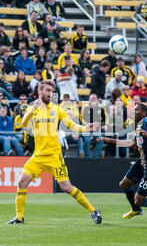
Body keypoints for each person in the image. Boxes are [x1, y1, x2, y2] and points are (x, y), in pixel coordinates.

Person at [7, 80, 102, 224]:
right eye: (47, 90)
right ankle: (19, 217)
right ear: (40, 91)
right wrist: (32, 110)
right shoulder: (33, 108)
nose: (50, 93)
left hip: (53, 156)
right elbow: (23, 123)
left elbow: (72, 125)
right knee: (22, 182)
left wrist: (85, 128)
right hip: (38, 156)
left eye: (52, 91)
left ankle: (93, 210)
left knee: (66, 187)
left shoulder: (57, 109)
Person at [97, 103, 147, 219]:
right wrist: (108, 140)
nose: (133, 112)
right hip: (143, 163)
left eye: (136, 110)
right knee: (124, 184)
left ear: (144, 113)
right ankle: (135, 209)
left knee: (138, 200)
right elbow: (130, 143)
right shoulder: (138, 126)